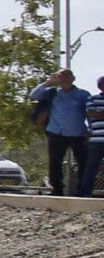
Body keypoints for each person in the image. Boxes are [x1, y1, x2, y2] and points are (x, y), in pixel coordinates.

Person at [30, 68, 93, 197]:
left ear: (72, 78)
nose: (62, 78)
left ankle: (83, 191)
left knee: (83, 162)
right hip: (56, 132)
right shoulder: (52, 93)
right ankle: (57, 189)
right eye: (60, 75)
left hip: (77, 133)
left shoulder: (83, 94)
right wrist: (48, 82)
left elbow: (89, 113)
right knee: (55, 162)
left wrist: (90, 129)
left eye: (65, 75)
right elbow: (33, 95)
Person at [81, 80, 104, 198]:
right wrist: (97, 113)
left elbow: (97, 113)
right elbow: (90, 113)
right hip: (96, 139)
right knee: (91, 168)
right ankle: (86, 193)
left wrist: (99, 113)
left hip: (96, 139)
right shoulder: (93, 99)